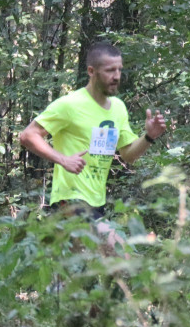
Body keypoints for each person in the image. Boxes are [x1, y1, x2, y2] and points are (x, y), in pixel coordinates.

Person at [18, 42, 167, 228]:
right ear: (91, 71)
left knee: (86, 256)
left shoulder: (118, 108)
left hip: (97, 201)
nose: (117, 77)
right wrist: (63, 160)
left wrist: (149, 137)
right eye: (110, 70)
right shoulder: (70, 104)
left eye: (119, 70)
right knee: (116, 249)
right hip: (70, 198)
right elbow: (28, 136)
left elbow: (128, 155)